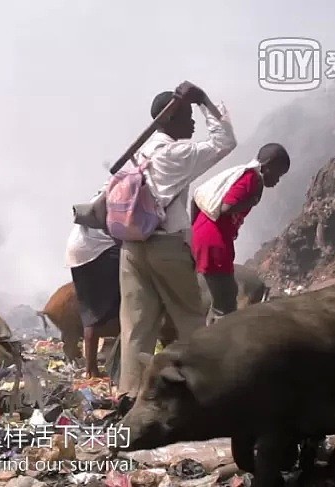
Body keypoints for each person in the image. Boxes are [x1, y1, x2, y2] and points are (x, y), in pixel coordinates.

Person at [118, 82, 237, 399]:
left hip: (131, 247)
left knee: (136, 328)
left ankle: (130, 396)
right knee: (191, 319)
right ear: (169, 121)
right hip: (166, 247)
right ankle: (204, 393)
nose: (193, 122)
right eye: (187, 116)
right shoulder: (176, 153)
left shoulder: (139, 153)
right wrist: (204, 101)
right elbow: (225, 141)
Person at [191, 143, 289, 325]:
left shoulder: (241, 175)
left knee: (221, 298)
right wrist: (251, 200)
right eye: (278, 173)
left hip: (204, 236)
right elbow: (228, 206)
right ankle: (220, 346)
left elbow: (196, 197)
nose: (277, 180)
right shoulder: (252, 179)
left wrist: (194, 232)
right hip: (214, 241)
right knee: (226, 302)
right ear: (267, 165)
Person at [64, 186, 121, 379]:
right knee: (118, 305)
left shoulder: (104, 192)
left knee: (91, 310)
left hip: (78, 250)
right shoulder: (122, 194)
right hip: (97, 250)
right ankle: (94, 368)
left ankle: (92, 367)